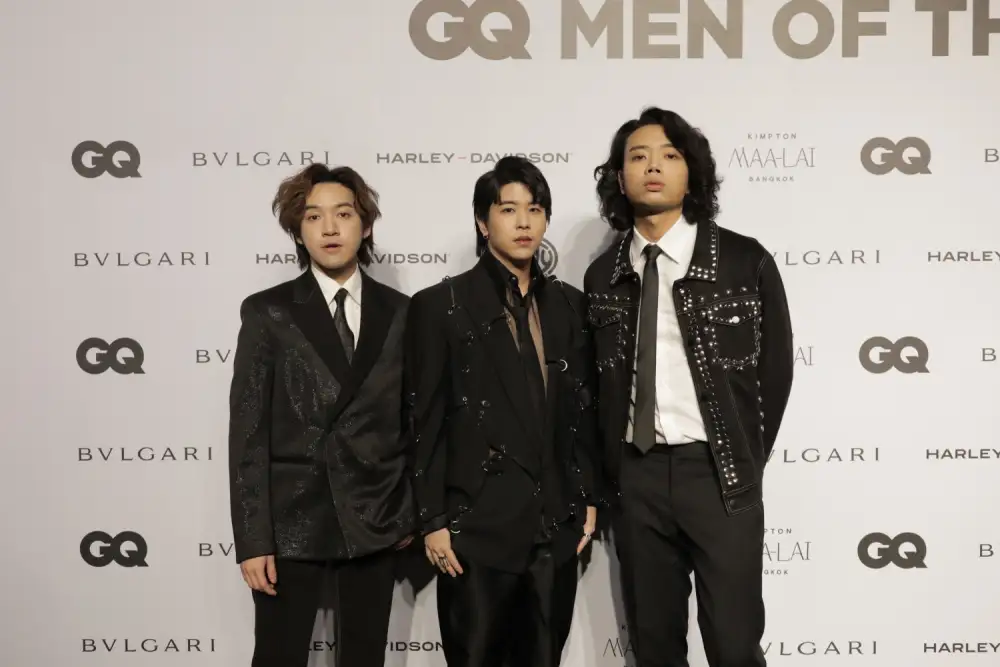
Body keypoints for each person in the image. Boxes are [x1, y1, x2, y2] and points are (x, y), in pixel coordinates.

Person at [584, 107, 794, 667]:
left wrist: (743, 456)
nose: (653, 166)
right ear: (620, 176)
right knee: (654, 646)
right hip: (637, 476)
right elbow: (597, 387)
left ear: (692, 172)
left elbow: (775, 375)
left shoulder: (745, 261)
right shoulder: (603, 275)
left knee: (734, 643)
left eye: (670, 155)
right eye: (638, 156)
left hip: (719, 474)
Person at [404, 156, 599, 667]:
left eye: (534, 209)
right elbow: (424, 419)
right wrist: (433, 519)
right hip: (474, 527)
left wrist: (586, 498)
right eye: (508, 209)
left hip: (553, 526)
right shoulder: (440, 305)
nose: (523, 222)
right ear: (482, 221)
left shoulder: (570, 306)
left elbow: (582, 411)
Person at [228, 163, 413, 667]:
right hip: (292, 518)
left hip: (374, 515)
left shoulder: (401, 312)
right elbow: (248, 433)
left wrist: (406, 511)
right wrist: (253, 540)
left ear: (365, 225)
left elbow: (413, 418)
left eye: (344, 214)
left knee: (364, 659)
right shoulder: (268, 312)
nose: (330, 228)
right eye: (314, 217)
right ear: (298, 230)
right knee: (278, 657)